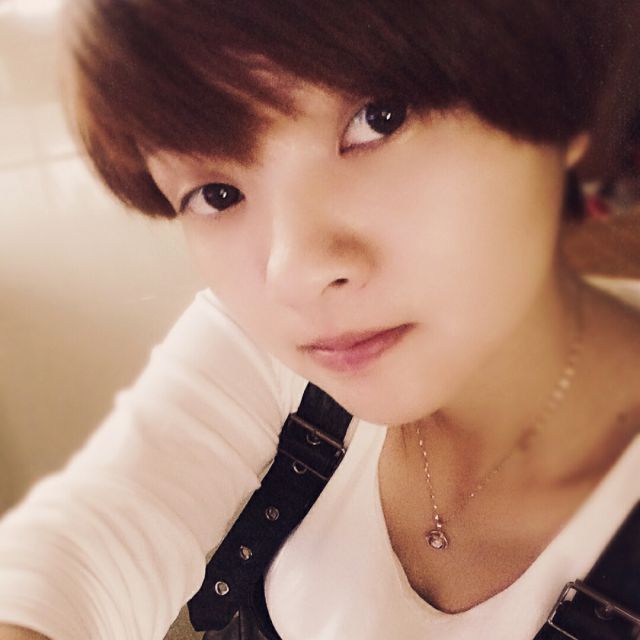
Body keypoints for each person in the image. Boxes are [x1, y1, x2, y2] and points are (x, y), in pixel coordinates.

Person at [1, 1, 639, 638]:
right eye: (217, 194)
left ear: (560, 97)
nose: (293, 275)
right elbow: (87, 546)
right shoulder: (261, 343)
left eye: (379, 119)